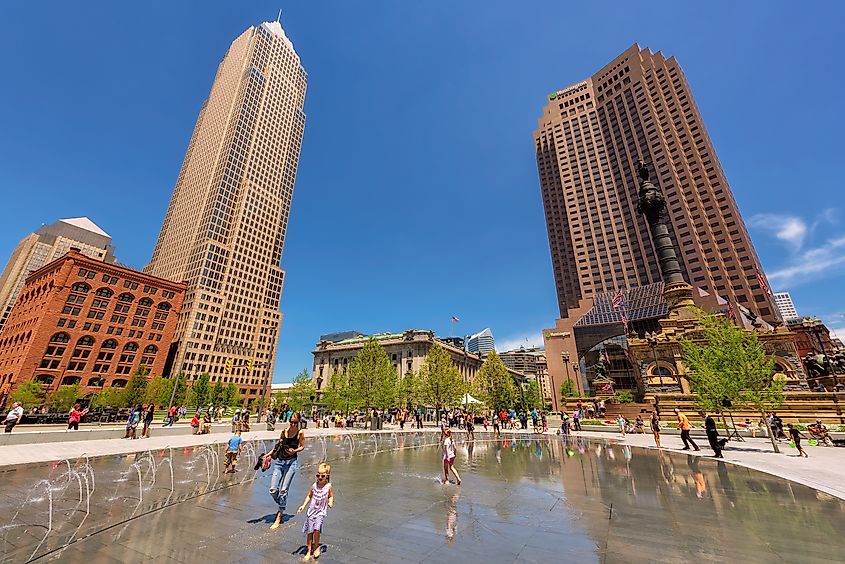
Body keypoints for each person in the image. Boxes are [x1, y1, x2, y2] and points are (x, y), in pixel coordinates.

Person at [270, 414, 305, 530]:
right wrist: (267, 455)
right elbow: (277, 447)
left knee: (284, 490)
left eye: (296, 423)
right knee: (273, 490)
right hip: (279, 462)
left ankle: (279, 516)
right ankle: (282, 502)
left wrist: (294, 450)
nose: (293, 425)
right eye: (292, 422)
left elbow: (302, 447)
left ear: (299, 422)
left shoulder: (300, 433)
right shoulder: (283, 431)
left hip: (291, 463)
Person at [297, 463, 334, 561]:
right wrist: (303, 506)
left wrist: (330, 502)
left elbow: (330, 496)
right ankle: (309, 550)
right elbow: (309, 496)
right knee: (310, 532)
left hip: (321, 512)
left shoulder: (328, 486)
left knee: (317, 529)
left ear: (327, 476)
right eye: (318, 475)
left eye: (322, 475)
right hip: (311, 512)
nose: (320, 477)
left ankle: (316, 547)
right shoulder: (314, 485)